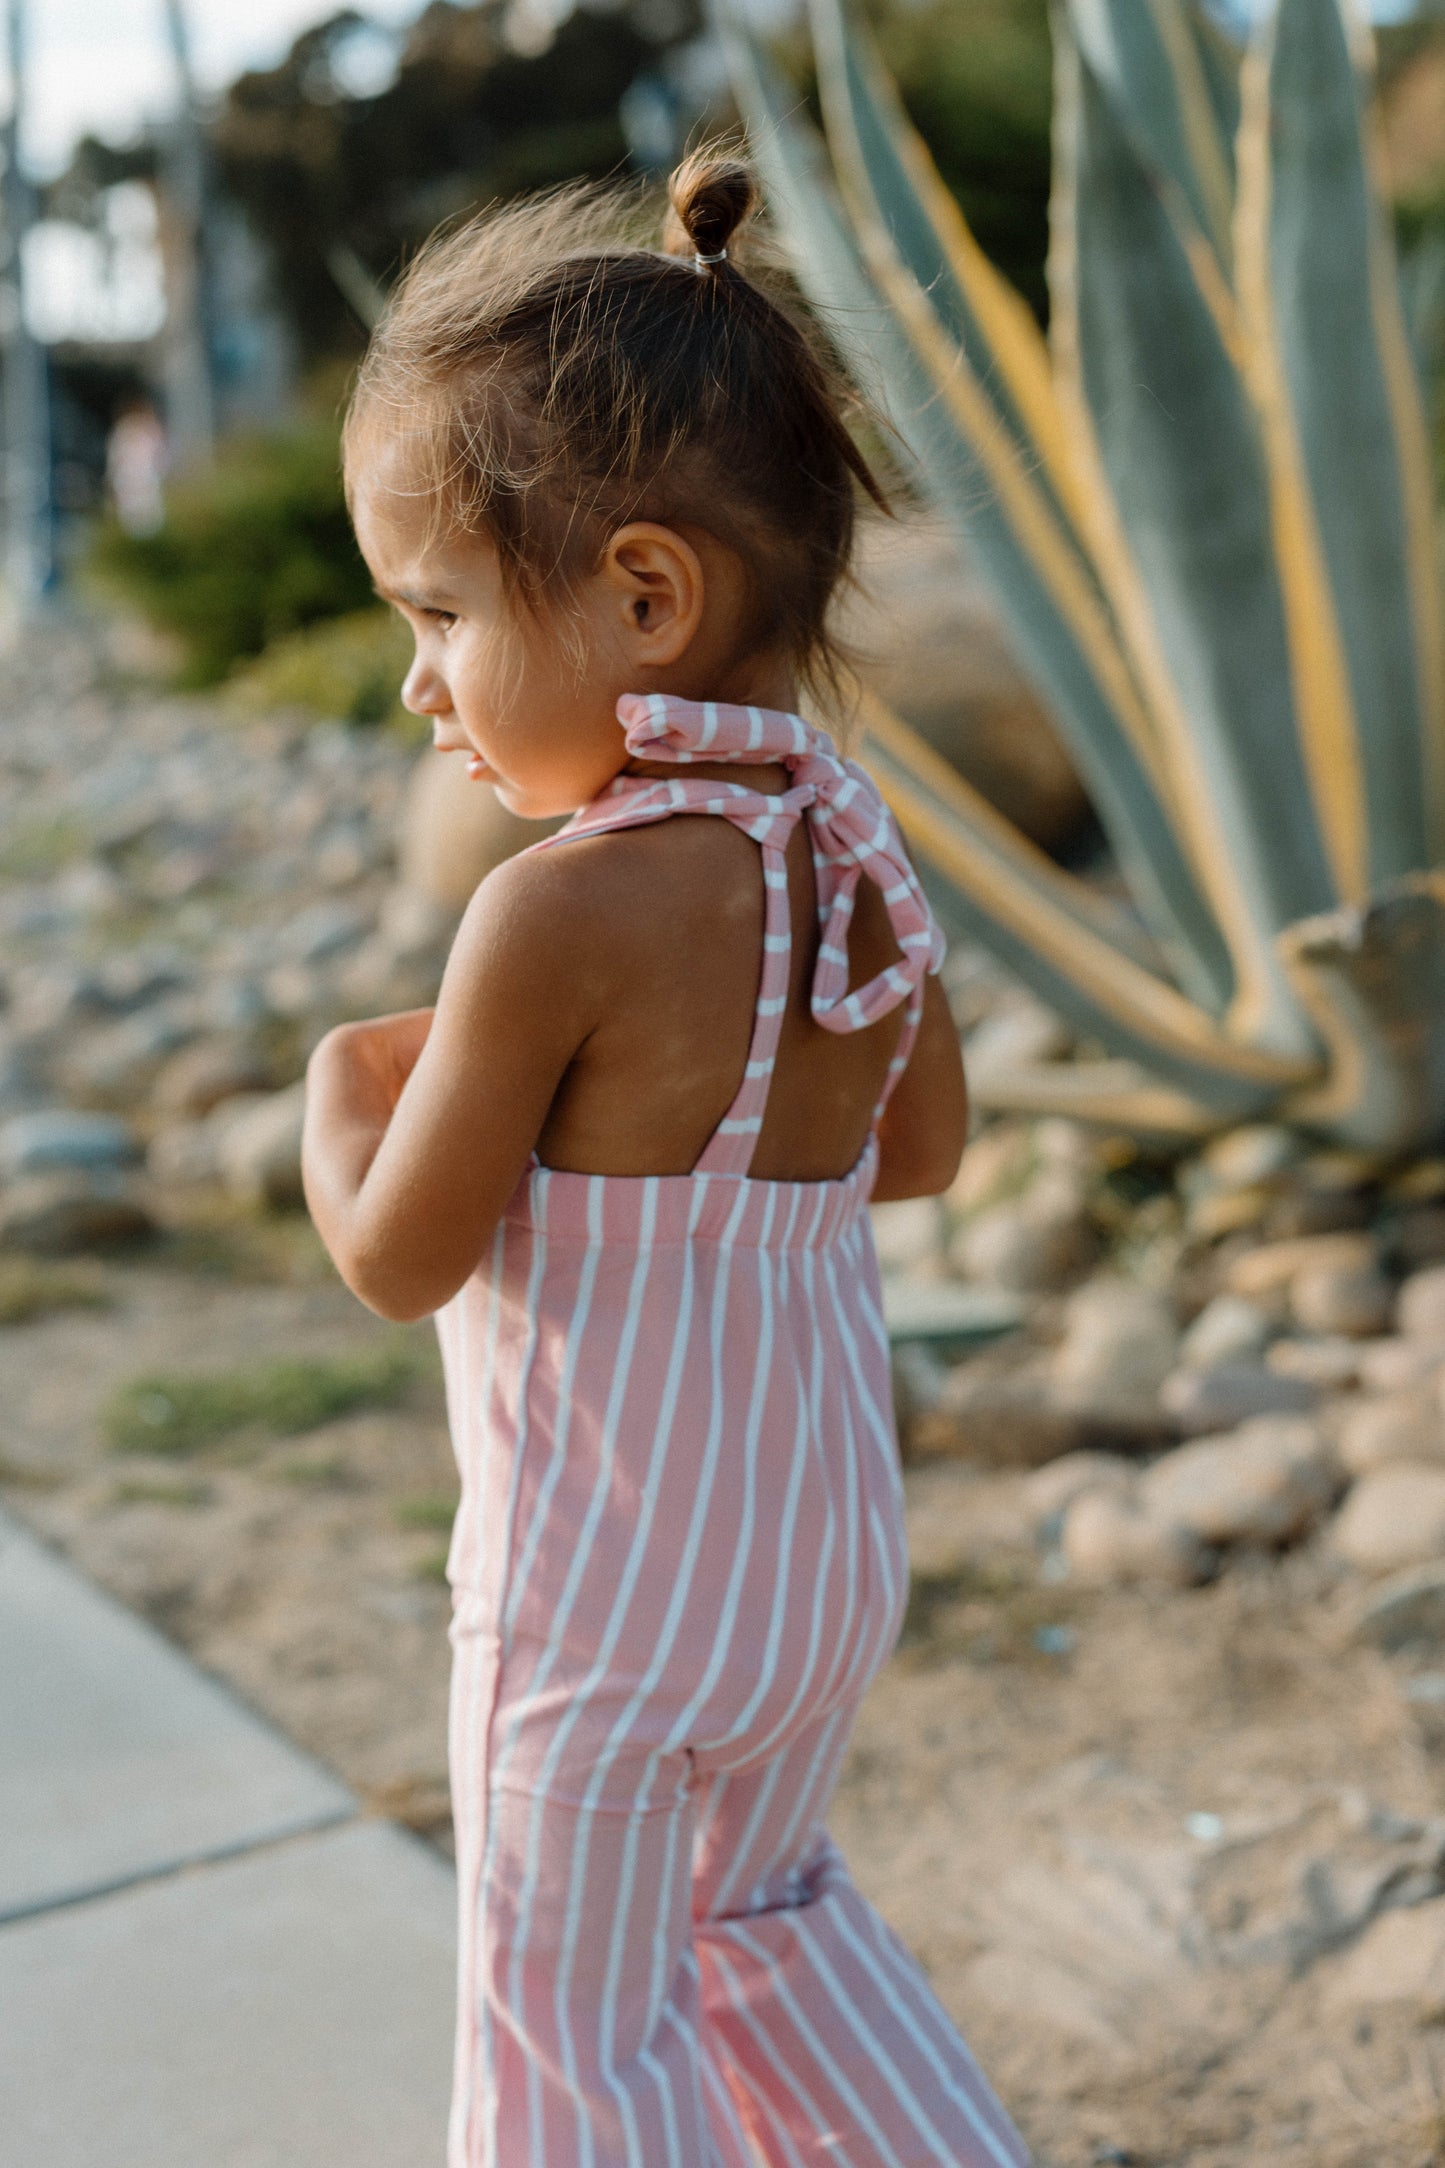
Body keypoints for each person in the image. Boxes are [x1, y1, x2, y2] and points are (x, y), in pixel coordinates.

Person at [301, 148, 1030, 2168]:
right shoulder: (846, 848)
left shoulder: (556, 914)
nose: (422, 682)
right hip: (809, 1569)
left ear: (644, 592)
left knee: (569, 2033)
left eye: (437, 612)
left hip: (603, 1611)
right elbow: (919, 1155)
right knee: (766, 1921)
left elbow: (398, 1255)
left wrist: (338, 1100)